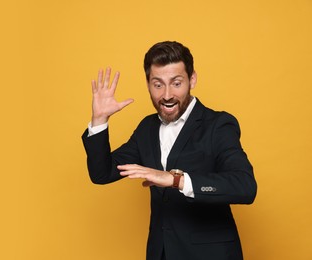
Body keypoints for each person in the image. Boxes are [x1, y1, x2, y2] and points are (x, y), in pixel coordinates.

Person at [81, 41, 257, 260]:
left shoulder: (218, 125)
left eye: (176, 83)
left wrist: (176, 180)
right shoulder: (147, 128)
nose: (166, 95)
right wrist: (99, 120)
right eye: (158, 84)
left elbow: (245, 187)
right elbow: (101, 173)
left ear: (192, 79)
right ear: (147, 84)